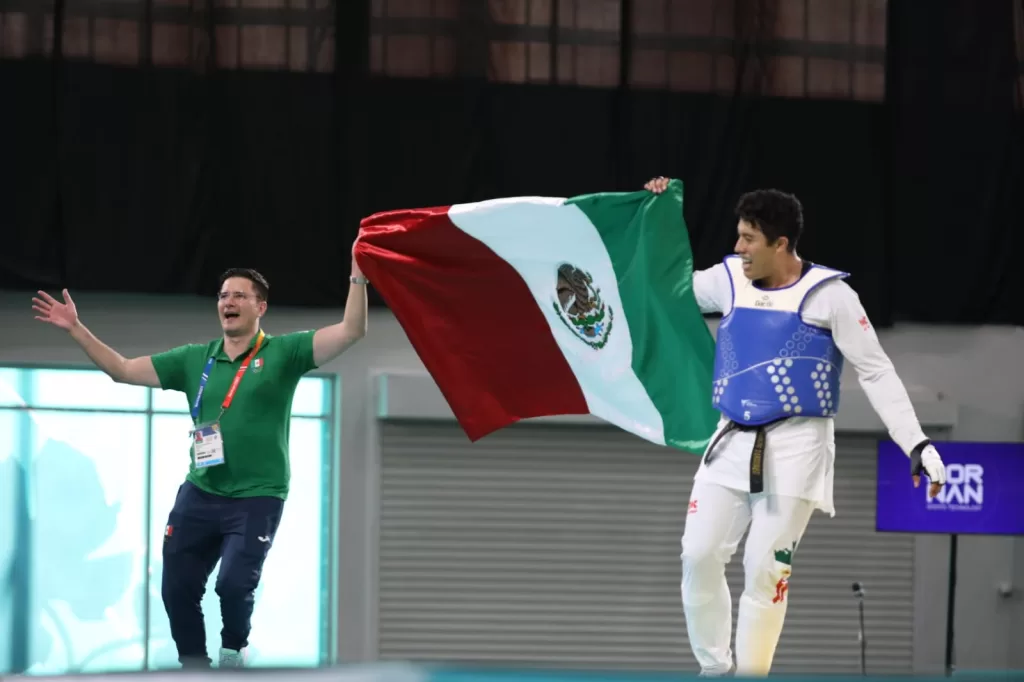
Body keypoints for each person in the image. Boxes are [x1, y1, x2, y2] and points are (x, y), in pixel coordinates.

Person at [644, 177, 946, 677]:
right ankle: (714, 671)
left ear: (780, 244)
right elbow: (662, 287)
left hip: (797, 447)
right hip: (730, 440)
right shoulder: (727, 281)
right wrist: (654, 216)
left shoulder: (832, 296)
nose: (737, 248)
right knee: (697, 556)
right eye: (738, 236)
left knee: (765, 572)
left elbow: (875, 371)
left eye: (748, 239)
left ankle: (749, 678)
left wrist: (916, 442)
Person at [31, 259, 369, 669]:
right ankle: (193, 667)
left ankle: (232, 653)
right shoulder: (195, 359)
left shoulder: (284, 352)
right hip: (202, 491)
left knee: (231, 585)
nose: (229, 301)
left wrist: (358, 275)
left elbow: (352, 330)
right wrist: (76, 329)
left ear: (260, 307)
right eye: (223, 296)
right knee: (177, 587)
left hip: (257, 496)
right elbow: (122, 370)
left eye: (239, 295)